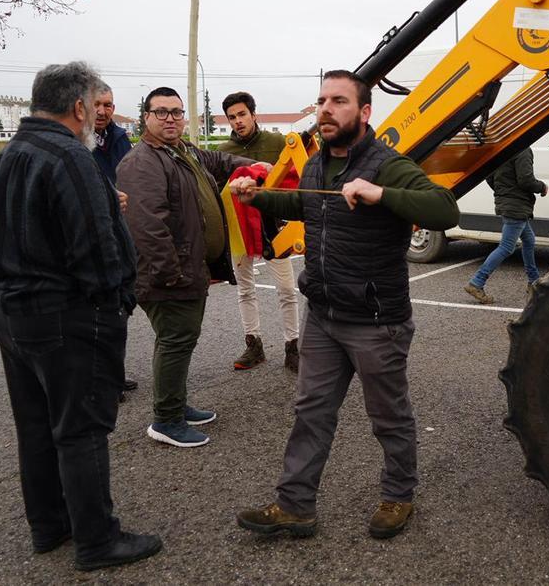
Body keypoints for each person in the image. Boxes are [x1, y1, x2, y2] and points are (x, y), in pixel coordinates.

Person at [230, 70, 459, 540]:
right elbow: (308, 205)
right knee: (310, 412)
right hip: (325, 316)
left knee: (389, 418)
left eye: (338, 101)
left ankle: (398, 496)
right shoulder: (316, 164)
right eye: (321, 101)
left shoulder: (386, 163)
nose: (326, 109)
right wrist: (260, 198)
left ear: (365, 111)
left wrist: (381, 194)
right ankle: (295, 506)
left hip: (376, 322)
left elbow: (444, 208)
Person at [0, 62, 161, 571]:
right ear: (79, 107)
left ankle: (49, 525)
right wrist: (118, 300)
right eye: (92, 107)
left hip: (10, 312)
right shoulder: (69, 157)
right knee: (80, 428)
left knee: (36, 425)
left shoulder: (10, 153)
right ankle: (97, 541)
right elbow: (97, 250)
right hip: (63, 317)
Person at [117, 87, 255, 448]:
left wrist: (252, 166)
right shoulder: (142, 162)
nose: (170, 119)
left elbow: (218, 162)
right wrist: (173, 274)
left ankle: (175, 405)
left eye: (177, 112)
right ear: (146, 116)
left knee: (181, 340)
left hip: (188, 270)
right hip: (168, 276)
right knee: (176, 341)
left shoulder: (182, 152)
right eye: (161, 112)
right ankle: (166, 420)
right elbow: (147, 227)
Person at [217, 91, 300, 372]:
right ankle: (254, 345)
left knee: (287, 289)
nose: (238, 121)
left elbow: (296, 175)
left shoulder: (278, 143)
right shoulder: (223, 151)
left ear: (254, 114)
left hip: (275, 226)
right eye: (232, 117)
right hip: (240, 229)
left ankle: (293, 346)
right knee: (245, 289)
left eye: (242, 114)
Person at [91, 83, 139, 397]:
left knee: (119, 307)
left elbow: (133, 176)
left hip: (119, 230)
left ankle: (114, 373)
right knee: (95, 309)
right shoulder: (75, 141)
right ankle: (99, 379)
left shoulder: (119, 138)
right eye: (97, 104)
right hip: (91, 232)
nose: (103, 111)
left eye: (108, 105)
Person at [463, 147, 548, 304]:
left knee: (529, 240)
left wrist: (503, 191)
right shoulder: (523, 150)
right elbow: (526, 180)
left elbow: (489, 176)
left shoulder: (503, 149)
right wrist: (542, 187)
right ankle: (476, 282)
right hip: (516, 206)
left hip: (508, 203)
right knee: (506, 247)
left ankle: (533, 280)